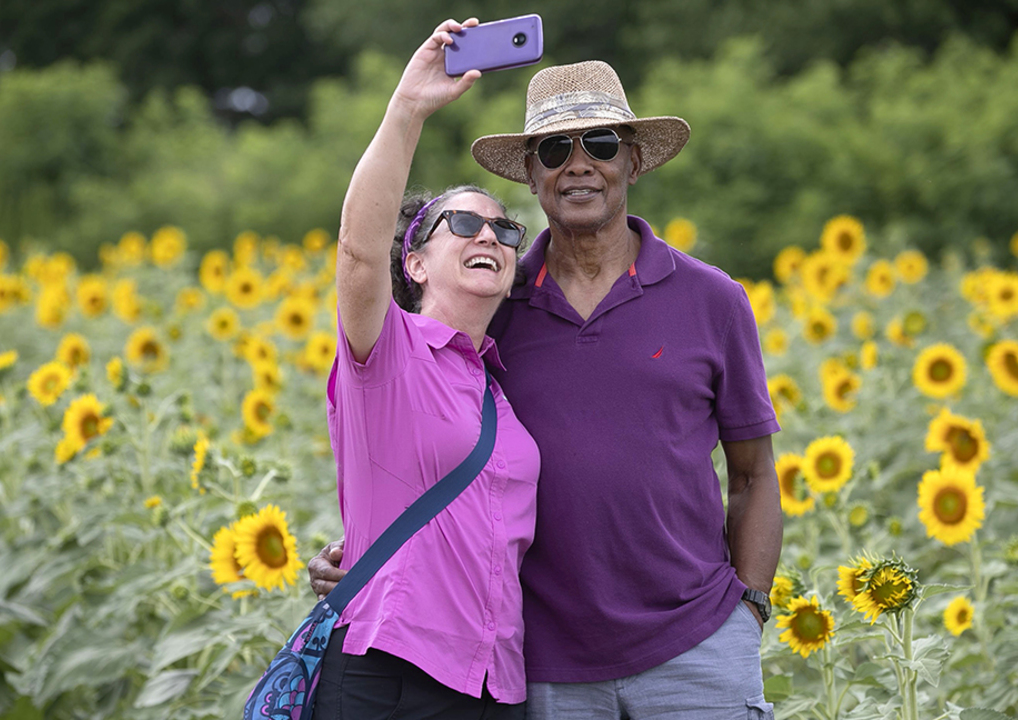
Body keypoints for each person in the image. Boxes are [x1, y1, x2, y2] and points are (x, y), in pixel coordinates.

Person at [314, 55, 783, 719]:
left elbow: (755, 475)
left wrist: (751, 609)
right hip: (546, 666)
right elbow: (399, 397)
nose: (579, 163)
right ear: (532, 173)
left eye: (599, 144)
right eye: (556, 148)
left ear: (633, 162)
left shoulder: (712, 299)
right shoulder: (494, 315)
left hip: (695, 644)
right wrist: (364, 554)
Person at [316, 18, 538, 720]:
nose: (490, 238)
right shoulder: (386, 353)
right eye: (464, 226)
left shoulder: (500, 388)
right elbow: (358, 249)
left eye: (505, 230)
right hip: (391, 675)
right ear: (414, 262)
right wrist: (407, 110)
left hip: (494, 686)